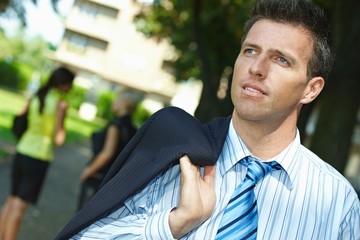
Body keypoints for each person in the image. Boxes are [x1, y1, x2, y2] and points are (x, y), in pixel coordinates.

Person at [61, 0, 360, 239]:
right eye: (250, 50)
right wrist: (171, 226)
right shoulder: (172, 155)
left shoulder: (336, 203)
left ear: (311, 89)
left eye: (281, 59)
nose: (256, 67)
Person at [0, 66, 75, 240]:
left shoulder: (35, 96)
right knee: (19, 207)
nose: (70, 89)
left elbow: (19, 119)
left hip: (22, 151)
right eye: (70, 85)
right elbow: (59, 139)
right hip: (39, 156)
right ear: (63, 85)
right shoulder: (60, 105)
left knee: (11, 201)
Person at [77, 90, 139, 210]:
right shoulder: (134, 129)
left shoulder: (115, 125)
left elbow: (107, 153)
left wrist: (89, 170)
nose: (113, 101)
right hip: (115, 182)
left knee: (83, 215)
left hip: (98, 177)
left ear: (125, 103)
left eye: (117, 99)